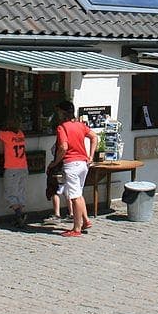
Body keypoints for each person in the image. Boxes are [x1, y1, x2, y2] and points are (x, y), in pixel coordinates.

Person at [53, 100, 98, 237]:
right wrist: (90, 156)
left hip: (71, 164)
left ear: (62, 112)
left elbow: (63, 147)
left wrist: (55, 162)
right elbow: (94, 137)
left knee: (75, 197)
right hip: (83, 164)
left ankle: (76, 228)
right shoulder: (80, 125)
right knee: (78, 193)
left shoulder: (62, 127)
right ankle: (85, 221)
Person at [0, 114, 28, 227]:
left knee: (10, 194)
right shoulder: (21, 134)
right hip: (23, 167)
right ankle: (20, 217)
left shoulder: (6, 135)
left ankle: (19, 215)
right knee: (20, 193)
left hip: (12, 168)